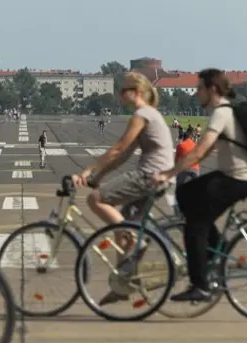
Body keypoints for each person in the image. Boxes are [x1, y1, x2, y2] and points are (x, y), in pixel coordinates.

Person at [72, 72, 174, 305]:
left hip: (150, 175)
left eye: (123, 90)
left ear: (136, 93)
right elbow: (124, 155)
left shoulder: (142, 114)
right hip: (159, 177)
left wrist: (87, 171)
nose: (120, 95)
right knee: (121, 230)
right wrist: (100, 175)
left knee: (96, 200)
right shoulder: (147, 114)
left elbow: (118, 148)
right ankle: (123, 285)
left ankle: (136, 236)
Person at [152, 69, 247, 302]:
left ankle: (201, 285)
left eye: (199, 88)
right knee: (185, 194)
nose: (196, 93)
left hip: (237, 178)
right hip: (232, 176)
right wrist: (178, 171)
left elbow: (200, 150)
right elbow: (203, 153)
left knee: (196, 224)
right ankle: (219, 250)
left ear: (212, 89)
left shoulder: (222, 113)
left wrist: (169, 173)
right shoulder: (224, 112)